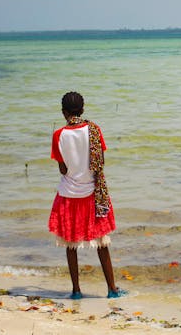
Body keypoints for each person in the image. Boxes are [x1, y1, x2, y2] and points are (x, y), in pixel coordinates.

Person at [48, 91, 126, 299]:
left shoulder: (58, 135)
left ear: (63, 112)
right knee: (102, 243)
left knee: (70, 245)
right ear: (82, 110)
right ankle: (112, 289)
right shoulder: (94, 129)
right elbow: (100, 162)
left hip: (68, 195)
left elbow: (63, 170)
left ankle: (76, 291)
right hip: (93, 193)